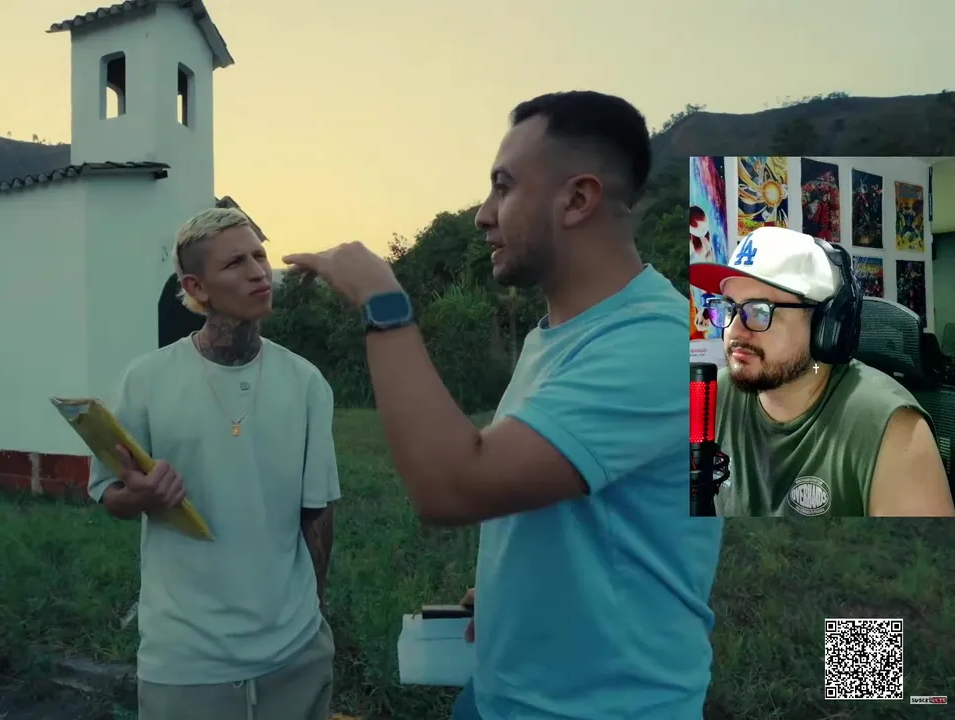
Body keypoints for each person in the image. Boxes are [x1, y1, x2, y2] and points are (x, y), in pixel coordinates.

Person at [284, 91, 722, 720]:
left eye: (502, 187)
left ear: (577, 199)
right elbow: (585, 508)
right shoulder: (560, 334)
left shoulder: (661, 343)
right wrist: (516, 596)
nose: (483, 215)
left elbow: (453, 486)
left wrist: (384, 303)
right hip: (504, 693)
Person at [89, 207, 341, 720]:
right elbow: (108, 493)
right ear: (195, 287)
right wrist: (139, 496)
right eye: (235, 263)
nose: (259, 272)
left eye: (260, 256)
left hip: (294, 654)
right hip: (186, 660)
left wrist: (314, 618)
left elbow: (317, 512)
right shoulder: (146, 381)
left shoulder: (306, 382)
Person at [689, 226, 953, 517]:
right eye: (727, 307)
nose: (734, 330)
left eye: (759, 310)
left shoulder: (891, 427)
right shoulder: (709, 396)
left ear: (824, 326)